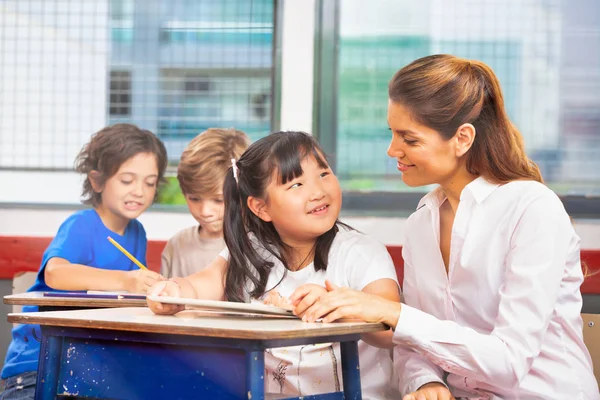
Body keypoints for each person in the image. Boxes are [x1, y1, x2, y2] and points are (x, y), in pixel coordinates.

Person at [300, 55, 600, 400]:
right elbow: (412, 344)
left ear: (462, 138)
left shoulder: (533, 209)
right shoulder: (420, 223)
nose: (392, 150)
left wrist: (394, 313)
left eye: (409, 139)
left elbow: (508, 361)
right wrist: (426, 382)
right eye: (392, 133)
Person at [148, 131, 401, 399]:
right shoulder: (251, 250)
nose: (318, 191)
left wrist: (338, 305)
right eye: (296, 185)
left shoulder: (362, 252)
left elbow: (392, 329)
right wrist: (174, 291)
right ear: (261, 208)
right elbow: (201, 285)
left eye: (324, 174)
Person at [0, 123, 168, 400]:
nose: (139, 191)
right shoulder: (82, 225)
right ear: (97, 181)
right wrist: (126, 280)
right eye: (127, 180)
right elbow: (56, 274)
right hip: (38, 362)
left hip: (88, 366)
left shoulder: (137, 233)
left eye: (149, 183)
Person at [160, 128, 250, 278]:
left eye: (218, 200)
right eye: (195, 198)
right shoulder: (177, 246)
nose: (205, 211)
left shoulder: (258, 245)